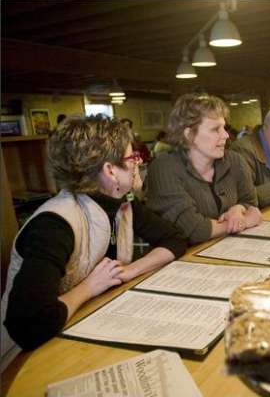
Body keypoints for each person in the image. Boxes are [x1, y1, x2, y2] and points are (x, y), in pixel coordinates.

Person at [0, 116, 187, 370]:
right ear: (110, 171)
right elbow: (28, 326)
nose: (138, 163)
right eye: (132, 158)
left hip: (80, 330)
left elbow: (175, 240)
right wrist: (90, 287)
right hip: (22, 362)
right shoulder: (53, 225)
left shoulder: (123, 202)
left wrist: (128, 271)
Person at [146, 94, 261, 244]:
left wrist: (238, 209)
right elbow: (194, 230)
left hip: (230, 248)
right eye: (215, 129)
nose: (226, 135)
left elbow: (251, 202)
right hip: (183, 260)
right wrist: (243, 222)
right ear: (189, 135)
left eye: (224, 128)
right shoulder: (163, 168)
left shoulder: (234, 161)